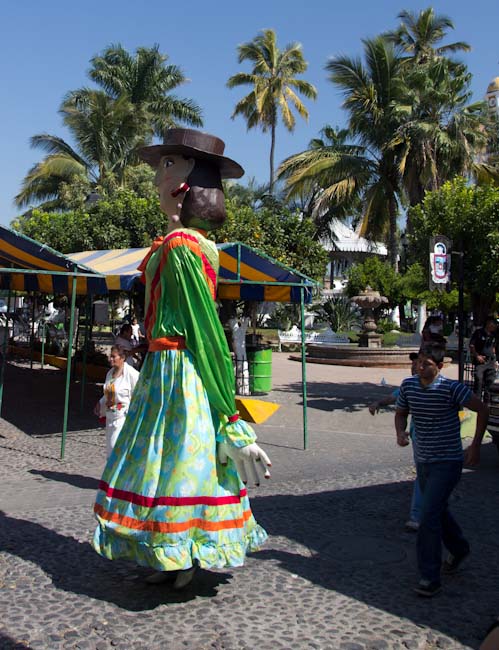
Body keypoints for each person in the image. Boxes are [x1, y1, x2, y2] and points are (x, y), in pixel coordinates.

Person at [91, 128, 271, 590]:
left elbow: (208, 332)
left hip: (180, 371)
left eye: (167, 165)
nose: (157, 177)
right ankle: (169, 553)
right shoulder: (174, 244)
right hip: (163, 370)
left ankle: (181, 555)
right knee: (163, 463)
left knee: (176, 463)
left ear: (186, 184)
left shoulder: (184, 247)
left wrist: (230, 414)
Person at [395, 342, 488, 597]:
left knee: (427, 517)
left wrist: (476, 446)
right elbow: (401, 412)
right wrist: (400, 432)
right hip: (423, 461)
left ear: (439, 366)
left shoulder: (451, 388)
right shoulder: (409, 385)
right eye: (417, 361)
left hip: (447, 461)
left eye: (426, 363)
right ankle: (459, 549)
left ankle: (429, 576)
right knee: (437, 510)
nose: (419, 366)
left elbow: (481, 409)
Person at [369, 352, 422, 531]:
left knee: (429, 480)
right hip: (419, 439)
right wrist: (378, 403)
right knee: (424, 478)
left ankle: (424, 516)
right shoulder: (409, 386)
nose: (414, 368)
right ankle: (417, 516)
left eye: (418, 364)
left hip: (442, 444)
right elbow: (395, 401)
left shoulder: (446, 387)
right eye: (413, 364)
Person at [94, 345, 140, 457]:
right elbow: (108, 393)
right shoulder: (110, 374)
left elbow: (139, 393)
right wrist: (100, 403)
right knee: (110, 450)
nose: (111, 359)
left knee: (116, 447)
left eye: (114, 357)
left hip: (123, 417)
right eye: (110, 356)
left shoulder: (132, 374)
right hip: (110, 417)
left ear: (122, 358)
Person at [469, 316, 498, 403]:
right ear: (488, 323)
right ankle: (477, 401)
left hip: (490, 360)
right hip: (481, 360)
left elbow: (494, 347)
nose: (495, 326)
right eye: (493, 323)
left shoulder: (494, 334)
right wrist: (477, 356)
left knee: (490, 381)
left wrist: (495, 359)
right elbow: (472, 345)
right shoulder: (479, 332)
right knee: (479, 379)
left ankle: (487, 402)